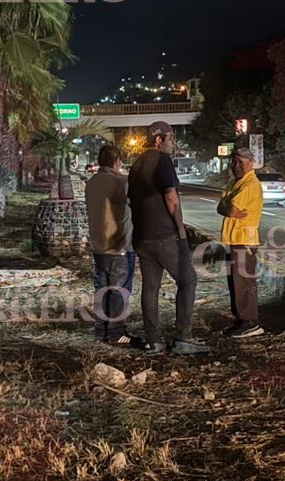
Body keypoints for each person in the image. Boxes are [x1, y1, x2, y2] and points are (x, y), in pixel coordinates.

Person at [127, 121, 209, 356]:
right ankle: (183, 337)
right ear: (159, 140)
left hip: (142, 237)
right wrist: (181, 230)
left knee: (150, 288)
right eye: (171, 138)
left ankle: (154, 341)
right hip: (164, 236)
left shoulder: (136, 164)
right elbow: (171, 197)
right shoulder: (161, 160)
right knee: (188, 280)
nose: (174, 143)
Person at [84, 144, 134, 345]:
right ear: (117, 162)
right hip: (119, 245)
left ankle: (100, 331)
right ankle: (116, 333)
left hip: (98, 245)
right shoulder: (122, 182)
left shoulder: (91, 183)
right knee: (118, 291)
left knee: (101, 290)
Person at [219, 145, 265, 338]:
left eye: (241, 162)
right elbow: (221, 206)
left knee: (244, 282)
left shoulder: (249, 184)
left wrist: (227, 206)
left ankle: (250, 321)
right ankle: (240, 319)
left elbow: (228, 209)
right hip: (234, 238)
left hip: (244, 240)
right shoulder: (235, 183)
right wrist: (227, 206)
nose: (236, 165)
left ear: (251, 164)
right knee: (235, 282)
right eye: (234, 161)